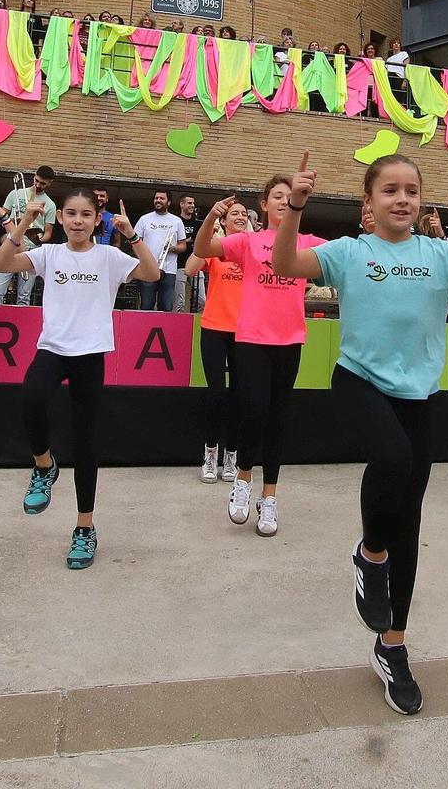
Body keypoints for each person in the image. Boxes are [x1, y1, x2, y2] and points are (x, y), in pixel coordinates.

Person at [272, 151, 448, 715]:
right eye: (389, 190)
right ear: (368, 203)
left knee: (410, 523)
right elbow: (288, 264)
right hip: (359, 380)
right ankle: (369, 554)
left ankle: (392, 645)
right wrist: (296, 206)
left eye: (411, 191)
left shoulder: (441, 254)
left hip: (420, 392)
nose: (402, 199)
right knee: (391, 459)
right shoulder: (350, 252)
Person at [0, 194, 159, 568]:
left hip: (90, 353)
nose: (77, 221)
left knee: (85, 444)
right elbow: (2, 262)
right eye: (70, 213)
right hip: (53, 349)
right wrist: (23, 224)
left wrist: (132, 234)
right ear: (62, 217)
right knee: (31, 398)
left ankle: (84, 529)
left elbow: (152, 274)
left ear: (97, 219)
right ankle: (43, 465)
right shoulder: (49, 254)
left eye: (86, 214)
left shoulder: (108, 257)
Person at [199, 176, 323, 536]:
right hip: (251, 338)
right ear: (264, 205)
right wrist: (212, 215)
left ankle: (269, 497)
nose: (285, 202)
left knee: (278, 418)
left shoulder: (307, 244)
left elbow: (348, 254)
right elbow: (204, 248)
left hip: (289, 340)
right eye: (277, 197)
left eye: (291, 197)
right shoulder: (248, 242)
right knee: (253, 410)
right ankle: (242, 480)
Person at [185, 200, 249, 484]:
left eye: (244, 214)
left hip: (245, 331)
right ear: (224, 221)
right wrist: (211, 235)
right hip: (213, 327)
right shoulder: (216, 247)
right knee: (216, 394)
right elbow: (190, 268)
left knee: (238, 396)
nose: (239, 216)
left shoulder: (252, 250)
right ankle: (210, 452)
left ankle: (231, 455)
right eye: (234, 213)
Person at [0, 166, 55, 305]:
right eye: (36, 180)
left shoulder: (50, 205)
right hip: (10, 246)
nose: (38, 185)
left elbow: (48, 233)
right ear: (34, 176)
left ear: (50, 183)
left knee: (24, 295)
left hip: (31, 250)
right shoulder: (15, 193)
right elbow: (2, 216)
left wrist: (38, 238)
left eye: (43, 183)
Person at [134, 191, 187, 311]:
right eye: (156, 198)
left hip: (169, 270)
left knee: (166, 306)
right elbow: (136, 242)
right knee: (146, 305)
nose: (158, 200)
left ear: (168, 202)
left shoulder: (177, 221)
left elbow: (183, 245)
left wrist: (172, 248)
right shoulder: (144, 219)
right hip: (147, 269)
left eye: (162, 198)